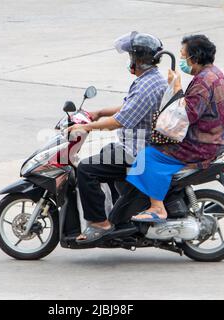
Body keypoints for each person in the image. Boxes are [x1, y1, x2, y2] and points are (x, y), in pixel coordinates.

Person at [67, 31, 167, 243]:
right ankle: (118, 211)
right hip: (133, 143)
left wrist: (88, 127)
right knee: (105, 153)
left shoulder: (147, 86)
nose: (130, 61)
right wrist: (100, 112)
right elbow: (128, 108)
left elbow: (120, 120)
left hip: (137, 150)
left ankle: (99, 223)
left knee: (86, 169)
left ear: (140, 59)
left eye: (132, 56)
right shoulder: (150, 79)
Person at [127, 34, 224, 223]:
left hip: (204, 143)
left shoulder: (202, 82)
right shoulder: (214, 73)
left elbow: (185, 116)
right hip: (219, 138)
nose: (182, 60)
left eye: (184, 55)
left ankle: (157, 208)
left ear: (194, 58)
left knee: (148, 156)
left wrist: (176, 87)